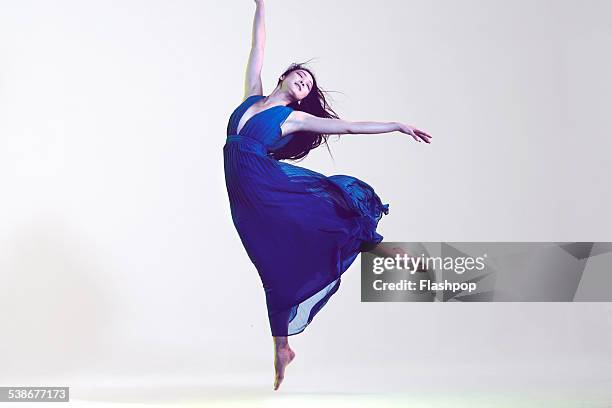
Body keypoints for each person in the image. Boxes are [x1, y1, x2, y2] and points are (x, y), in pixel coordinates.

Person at [223, 0, 433, 391]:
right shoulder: (251, 97)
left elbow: (349, 127)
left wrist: (396, 126)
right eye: (300, 76)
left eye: (308, 85)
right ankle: (282, 348)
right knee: (270, 260)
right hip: (244, 194)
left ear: (303, 98)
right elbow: (258, 46)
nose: (304, 83)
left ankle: (395, 255)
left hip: (268, 187)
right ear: (284, 77)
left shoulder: (294, 118)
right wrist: (261, 5)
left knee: (328, 228)